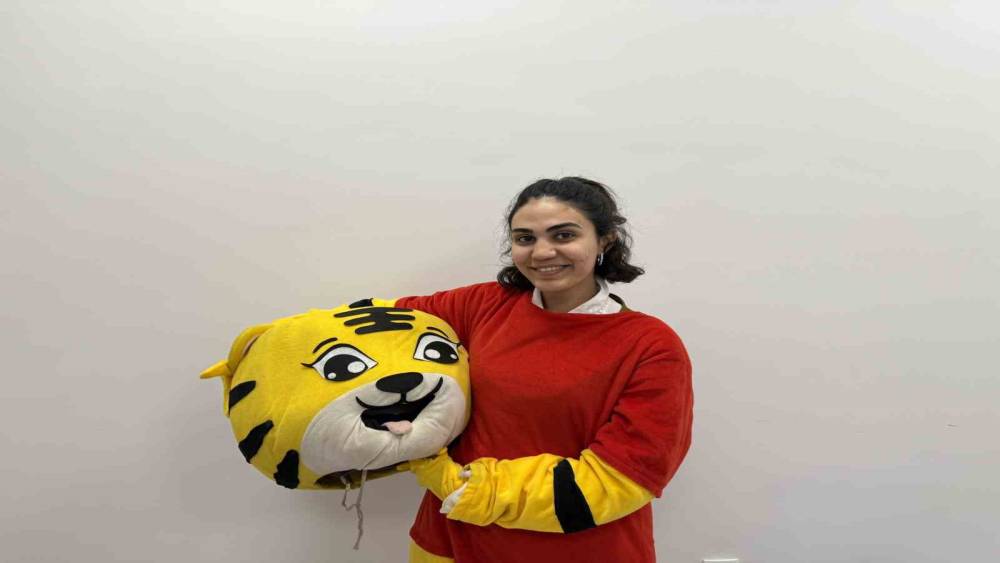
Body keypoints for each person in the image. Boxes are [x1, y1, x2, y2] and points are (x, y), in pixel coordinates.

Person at [392, 177, 693, 563]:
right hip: (449, 541)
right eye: (525, 238)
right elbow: (379, 326)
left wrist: (458, 484)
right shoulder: (484, 304)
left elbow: (622, 478)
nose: (542, 252)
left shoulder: (651, 345)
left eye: (564, 235)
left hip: (580, 548)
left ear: (605, 240)